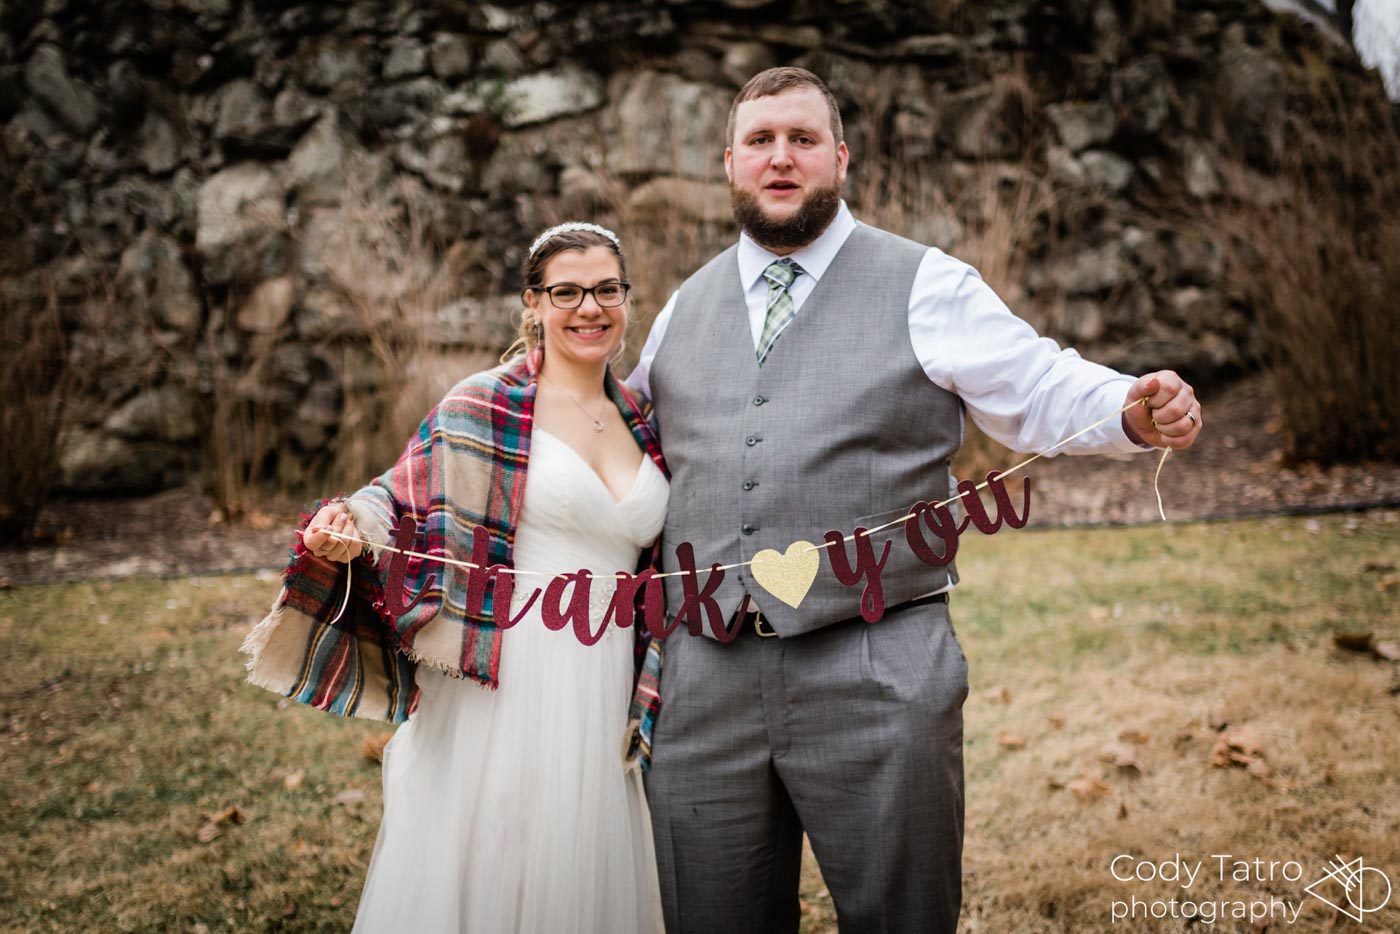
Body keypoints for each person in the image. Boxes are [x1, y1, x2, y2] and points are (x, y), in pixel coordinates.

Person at [628, 67, 1202, 934]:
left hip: (877, 663)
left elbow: (1036, 382)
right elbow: (617, 445)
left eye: (802, 139)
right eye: (760, 141)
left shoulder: (926, 283)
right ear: (729, 163)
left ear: (841, 158)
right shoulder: (682, 309)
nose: (780, 158)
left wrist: (1129, 406)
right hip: (704, 680)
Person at [242, 223, 669, 934]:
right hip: (509, 672)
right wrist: (346, 524)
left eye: (606, 290)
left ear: (626, 298)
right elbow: (401, 495)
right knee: (497, 856)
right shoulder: (484, 403)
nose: (589, 308)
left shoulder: (644, 420)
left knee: (582, 865)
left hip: (605, 674)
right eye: (566, 292)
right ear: (533, 302)